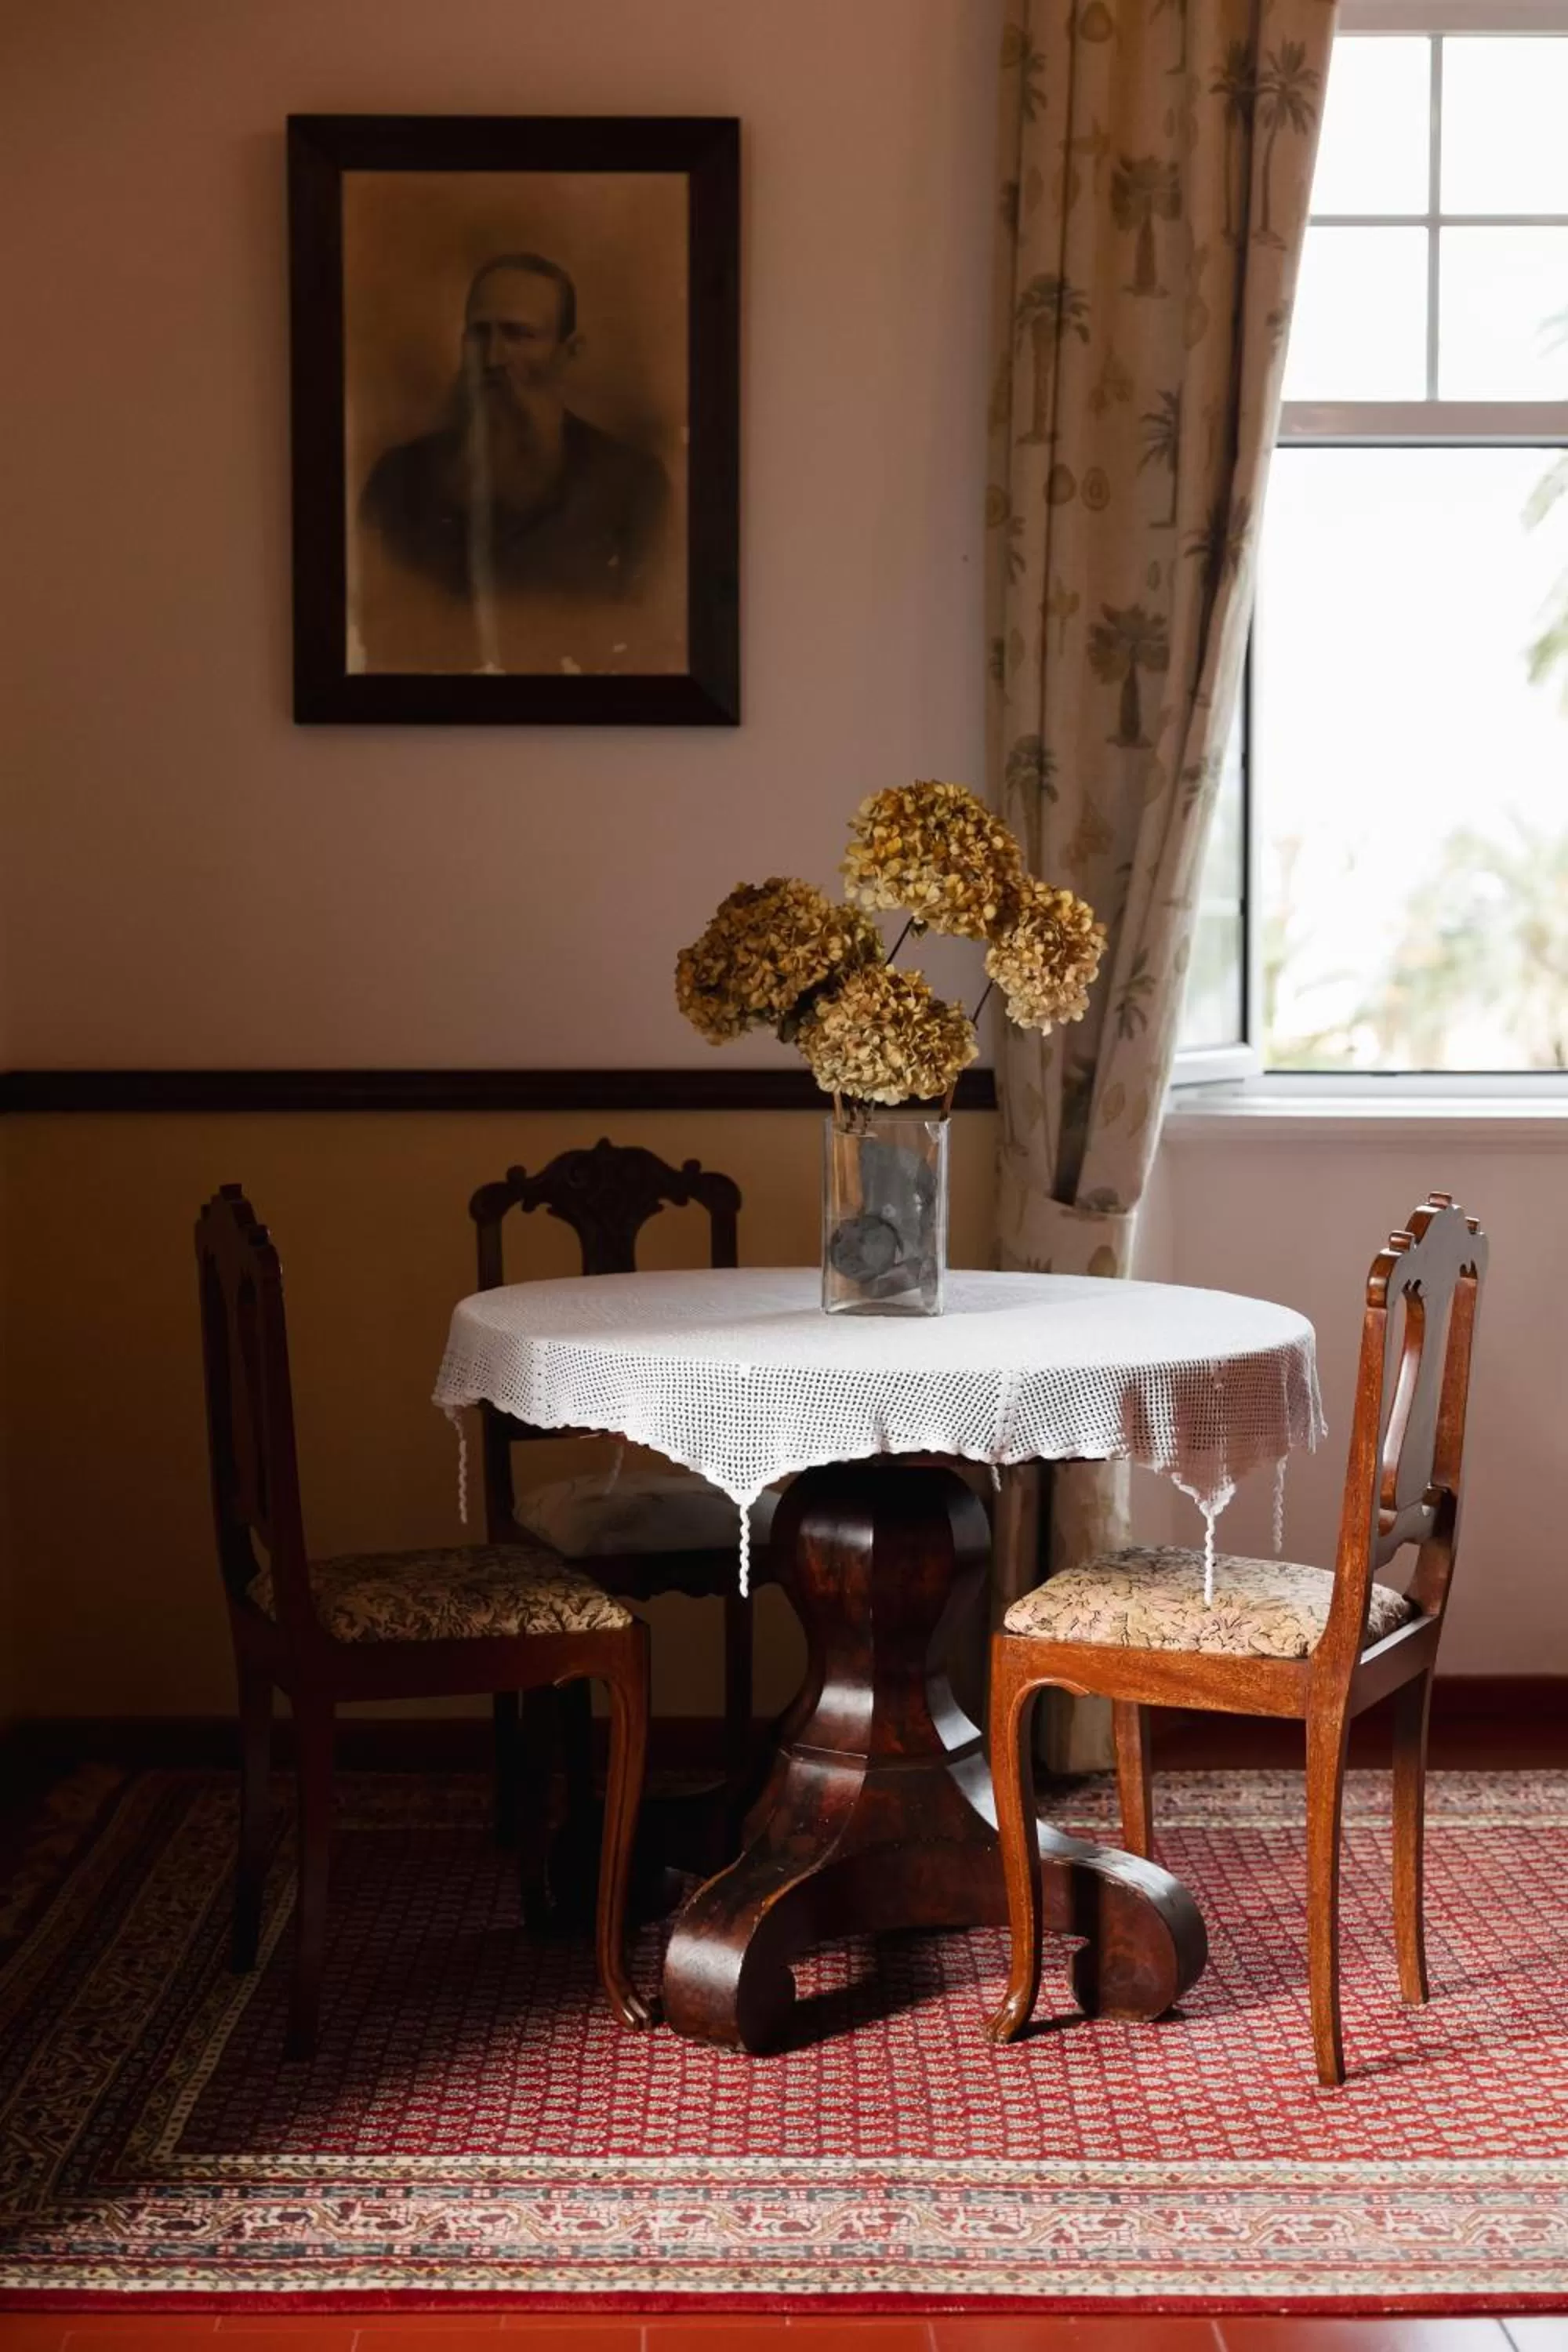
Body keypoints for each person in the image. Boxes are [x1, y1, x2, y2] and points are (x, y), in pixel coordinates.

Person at [359, 252, 672, 604]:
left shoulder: (634, 486)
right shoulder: (397, 480)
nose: (493, 357)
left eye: (519, 335)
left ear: (569, 352)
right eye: (479, 334)